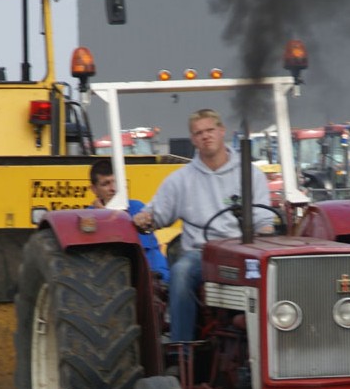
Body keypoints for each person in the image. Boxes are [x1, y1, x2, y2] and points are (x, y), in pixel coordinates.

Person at [132, 109, 275, 343]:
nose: (205, 136)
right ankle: (182, 347)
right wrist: (145, 217)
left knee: (278, 273)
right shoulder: (181, 180)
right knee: (181, 272)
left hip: (244, 251)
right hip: (202, 254)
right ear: (193, 139)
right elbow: (157, 213)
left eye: (210, 130)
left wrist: (266, 231)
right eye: (199, 133)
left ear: (221, 131)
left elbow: (263, 219)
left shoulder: (251, 174)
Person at [89, 159, 170, 283]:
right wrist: (104, 217)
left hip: (144, 276)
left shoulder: (137, 208)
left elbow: (151, 252)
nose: (113, 188)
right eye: (106, 184)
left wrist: (161, 279)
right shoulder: (88, 217)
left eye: (116, 182)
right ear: (94, 189)